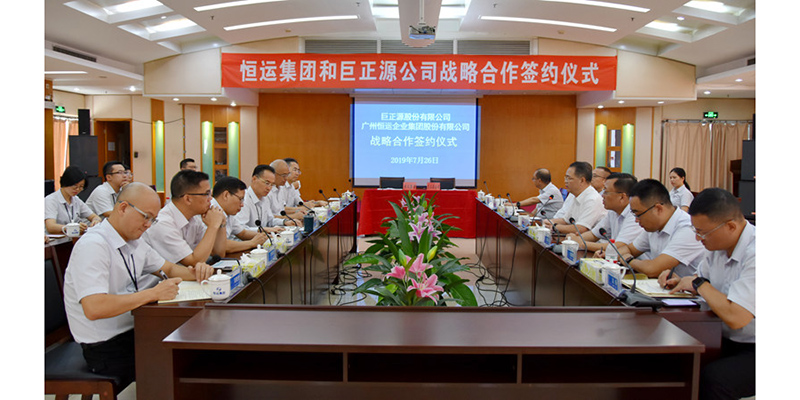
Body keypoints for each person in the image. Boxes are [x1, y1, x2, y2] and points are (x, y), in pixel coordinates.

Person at [62, 182, 214, 385]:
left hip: (134, 330)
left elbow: (168, 269)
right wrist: (153, 294)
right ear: (123, 208)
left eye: (153, 219)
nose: (148, 225)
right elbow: (94, 307)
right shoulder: (93, 245)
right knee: (185, 360)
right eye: (146, 217)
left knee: (196, 344)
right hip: (106, 346)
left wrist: (197, 273)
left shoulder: (133, 240)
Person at [658, 188, 754, 400]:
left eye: (702, 232)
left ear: (730, 226)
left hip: (756, 346)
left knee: (715, 379)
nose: (697, 237)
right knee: (674, 361)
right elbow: (701, 280)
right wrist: (681, 281)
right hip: (723, 336)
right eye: (695, 230)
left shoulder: (756, 253)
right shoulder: (717, 246)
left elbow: (737, 317)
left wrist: (698, 283)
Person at [613, 179, 706, 278]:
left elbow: (652, 269)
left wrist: (629, 260)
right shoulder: (654, 227)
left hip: (684, 287)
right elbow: (628, 249)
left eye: (638, 215)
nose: (636, 220)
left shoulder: (687, 228)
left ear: (658, 209)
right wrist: (624, 257)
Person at [143, 170, 227, 266]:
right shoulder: (163, 223)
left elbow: (218, 253)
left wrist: (222, 223)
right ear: (188, 199)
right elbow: (194, 262)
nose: (210, 199)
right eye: (206, 194)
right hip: (161, 276)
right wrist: (213, 226)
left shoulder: (194, 219)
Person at [566, 172, 643, 254]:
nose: (602, 195)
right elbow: (594, 234)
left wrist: (582, 243)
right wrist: (575, 239)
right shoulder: (613, 212)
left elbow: (619, 246)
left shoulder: (635, 215)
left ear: (622, 197)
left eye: (606, 192)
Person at [211, 176, 279, 253]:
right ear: (226, 195)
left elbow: (242, 233)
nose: (242, 204)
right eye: (240, 199)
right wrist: (252, 243)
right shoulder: (212, 211)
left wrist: (264, 236)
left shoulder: (228, 213)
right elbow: (220, 246)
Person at [543, 161, 605, 234]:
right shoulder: (576, 195)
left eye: (569, 178)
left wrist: (555, 226)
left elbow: (581, 228)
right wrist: (550, 221)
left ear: (582, 180)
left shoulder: (592, 199)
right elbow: (566, 220)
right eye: (565, 178)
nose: (565, 181)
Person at [236, 164, 296, 230]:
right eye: (267, 183)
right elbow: (240, 229)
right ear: (254, 179)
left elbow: (270, 221)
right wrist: (263, 230)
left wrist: (285, 222)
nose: (269, 188)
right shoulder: (244, 200)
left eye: (272, 184)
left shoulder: (265, 198)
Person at [45, 166, 102, 234]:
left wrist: (96, 220)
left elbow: (94, 216)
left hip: (73, 238)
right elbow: (50, 227)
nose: (77, 189)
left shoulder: (76, 200)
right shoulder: (51, 200)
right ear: (65, 183)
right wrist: (71, 228)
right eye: (75, 186)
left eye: (81, 187)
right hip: (56, 239)